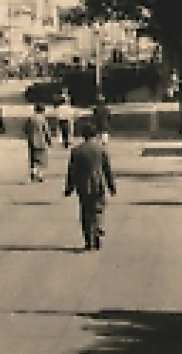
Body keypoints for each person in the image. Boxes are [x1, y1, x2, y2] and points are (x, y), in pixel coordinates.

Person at [64, 120, 117, 251]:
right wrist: (112, 186)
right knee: (98, 208)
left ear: (83, 135)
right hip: (98, 184)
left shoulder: (76, 151)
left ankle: (89, 240)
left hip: (83, 186)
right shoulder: (101, 149)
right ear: (95, 135)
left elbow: (72, 171)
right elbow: (107, 169)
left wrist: (69, 188)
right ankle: (98, 227)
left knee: (85, 212)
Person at [24, 103, 53, 183]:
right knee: (41, 159)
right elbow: (46, 131)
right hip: (41, 141)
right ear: (42, 110)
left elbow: (25, 129)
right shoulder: (43, 119)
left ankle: (33, 173)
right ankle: (40, 176)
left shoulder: (30, 118)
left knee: (33, 158)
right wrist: (49, 140)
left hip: (32, 141)